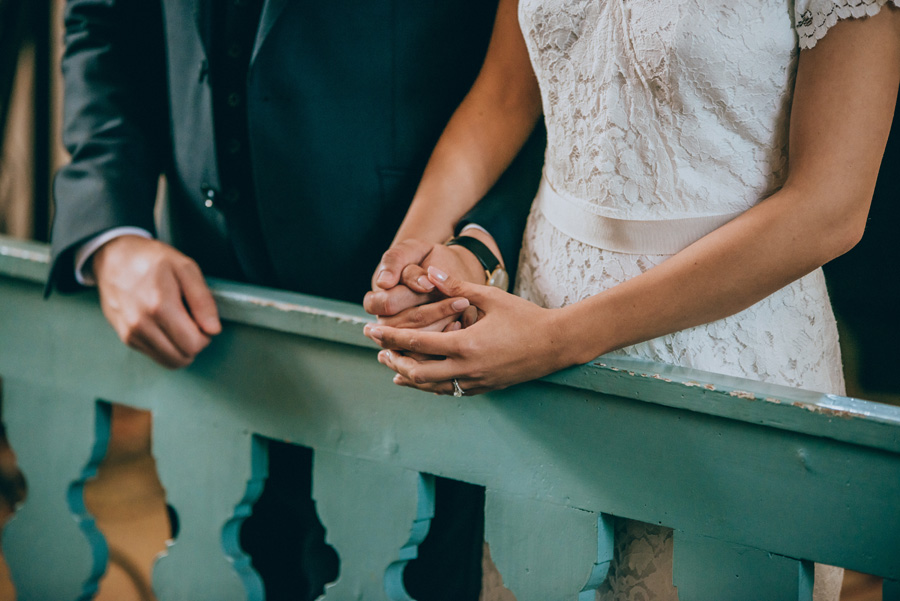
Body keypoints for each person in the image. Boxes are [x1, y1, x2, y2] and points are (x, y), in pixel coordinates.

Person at [363, 0, 900, 599]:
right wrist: (411, 251)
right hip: (529, 336)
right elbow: (504, 95)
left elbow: (830, 209)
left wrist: (557, 338)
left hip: (719, 350)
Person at [47, 0, 544, 599]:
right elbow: (105, 22)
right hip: (204, 320)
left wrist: (481, 241)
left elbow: (540, 73)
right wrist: (114, 235)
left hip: (414, 328)